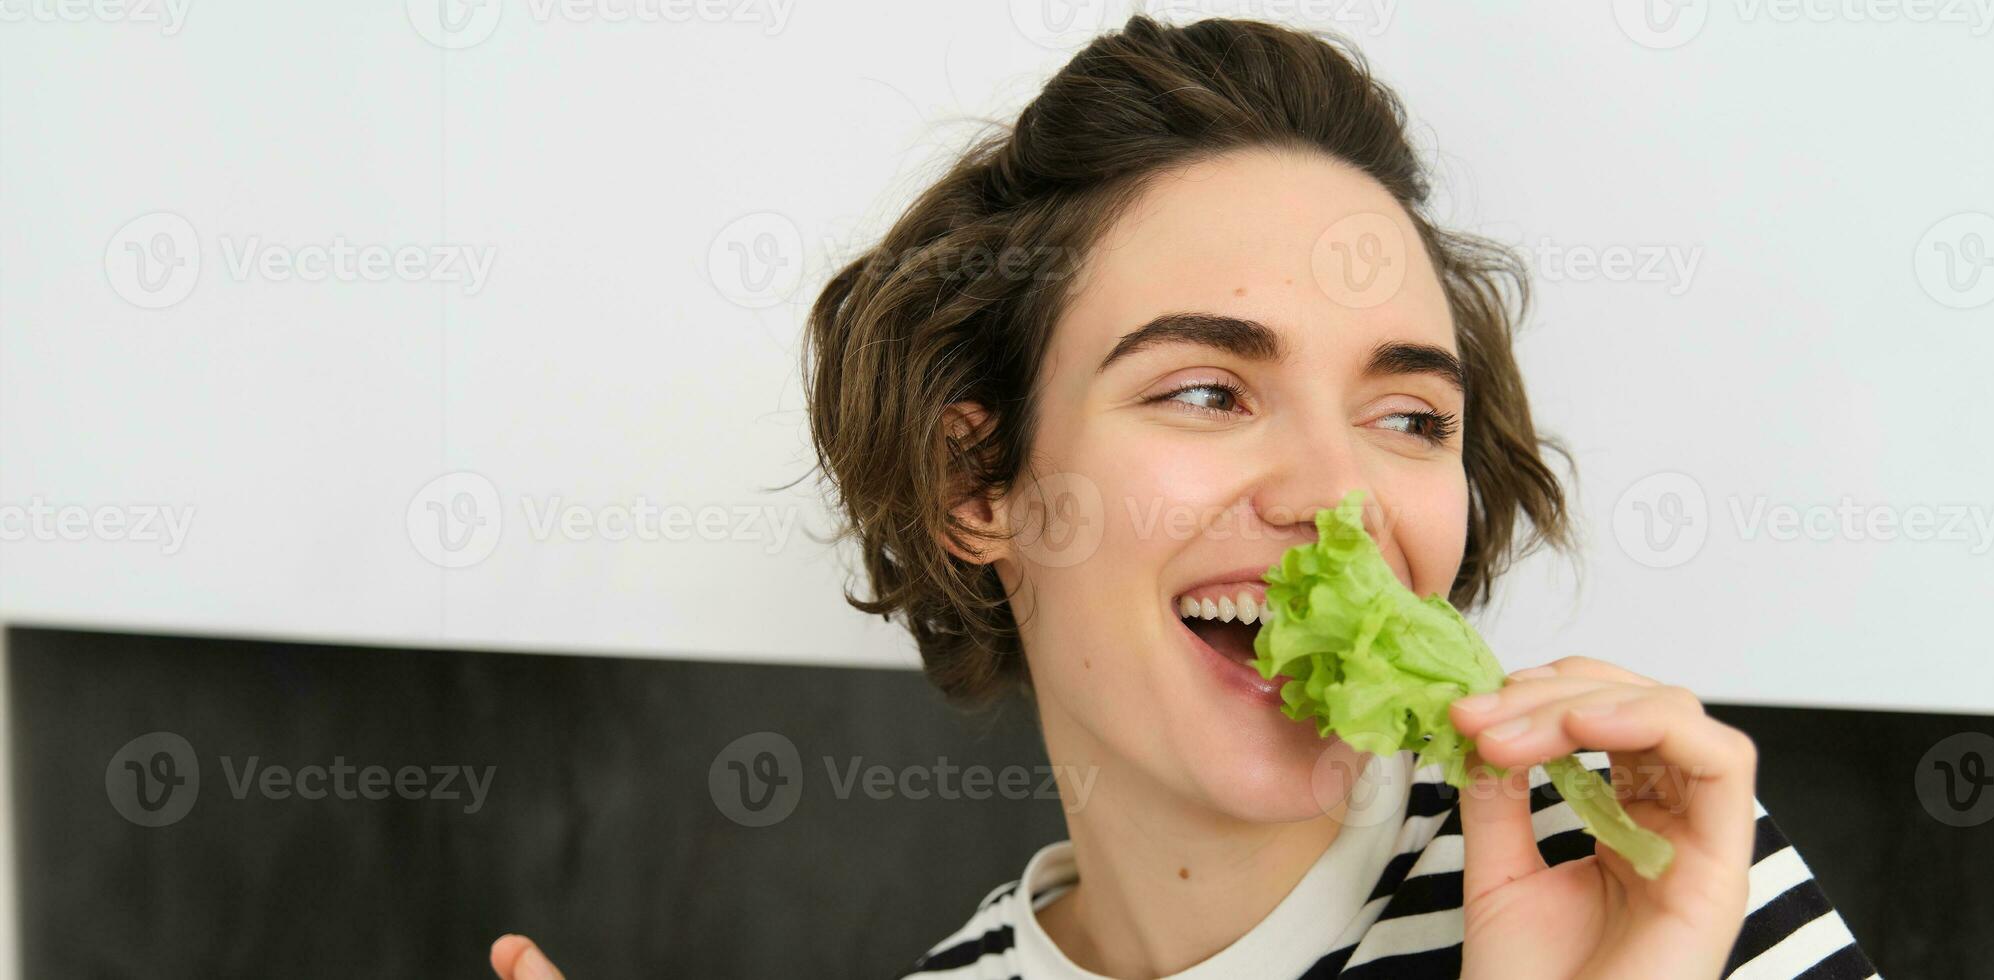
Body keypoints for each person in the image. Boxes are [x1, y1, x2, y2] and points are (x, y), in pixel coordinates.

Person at [493, 15, 1875, 980]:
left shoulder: (1649, 886)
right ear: (980, 483)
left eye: (1408, 417)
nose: (1340, 497)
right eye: (1208, 392)